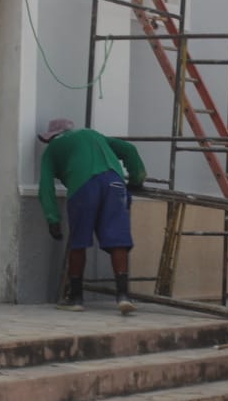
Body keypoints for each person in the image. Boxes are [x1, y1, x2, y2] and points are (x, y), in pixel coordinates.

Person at [38, 118, 147, 315]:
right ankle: (123, 296)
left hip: (83, 187)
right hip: (115, 183)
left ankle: (76, 298)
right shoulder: (93, 134)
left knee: (79, 242)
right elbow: (129, 149)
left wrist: (52, 218)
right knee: (118, 241)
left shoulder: (52, 149)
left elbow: (45, 186)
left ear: (50, 137)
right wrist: (136, 180)